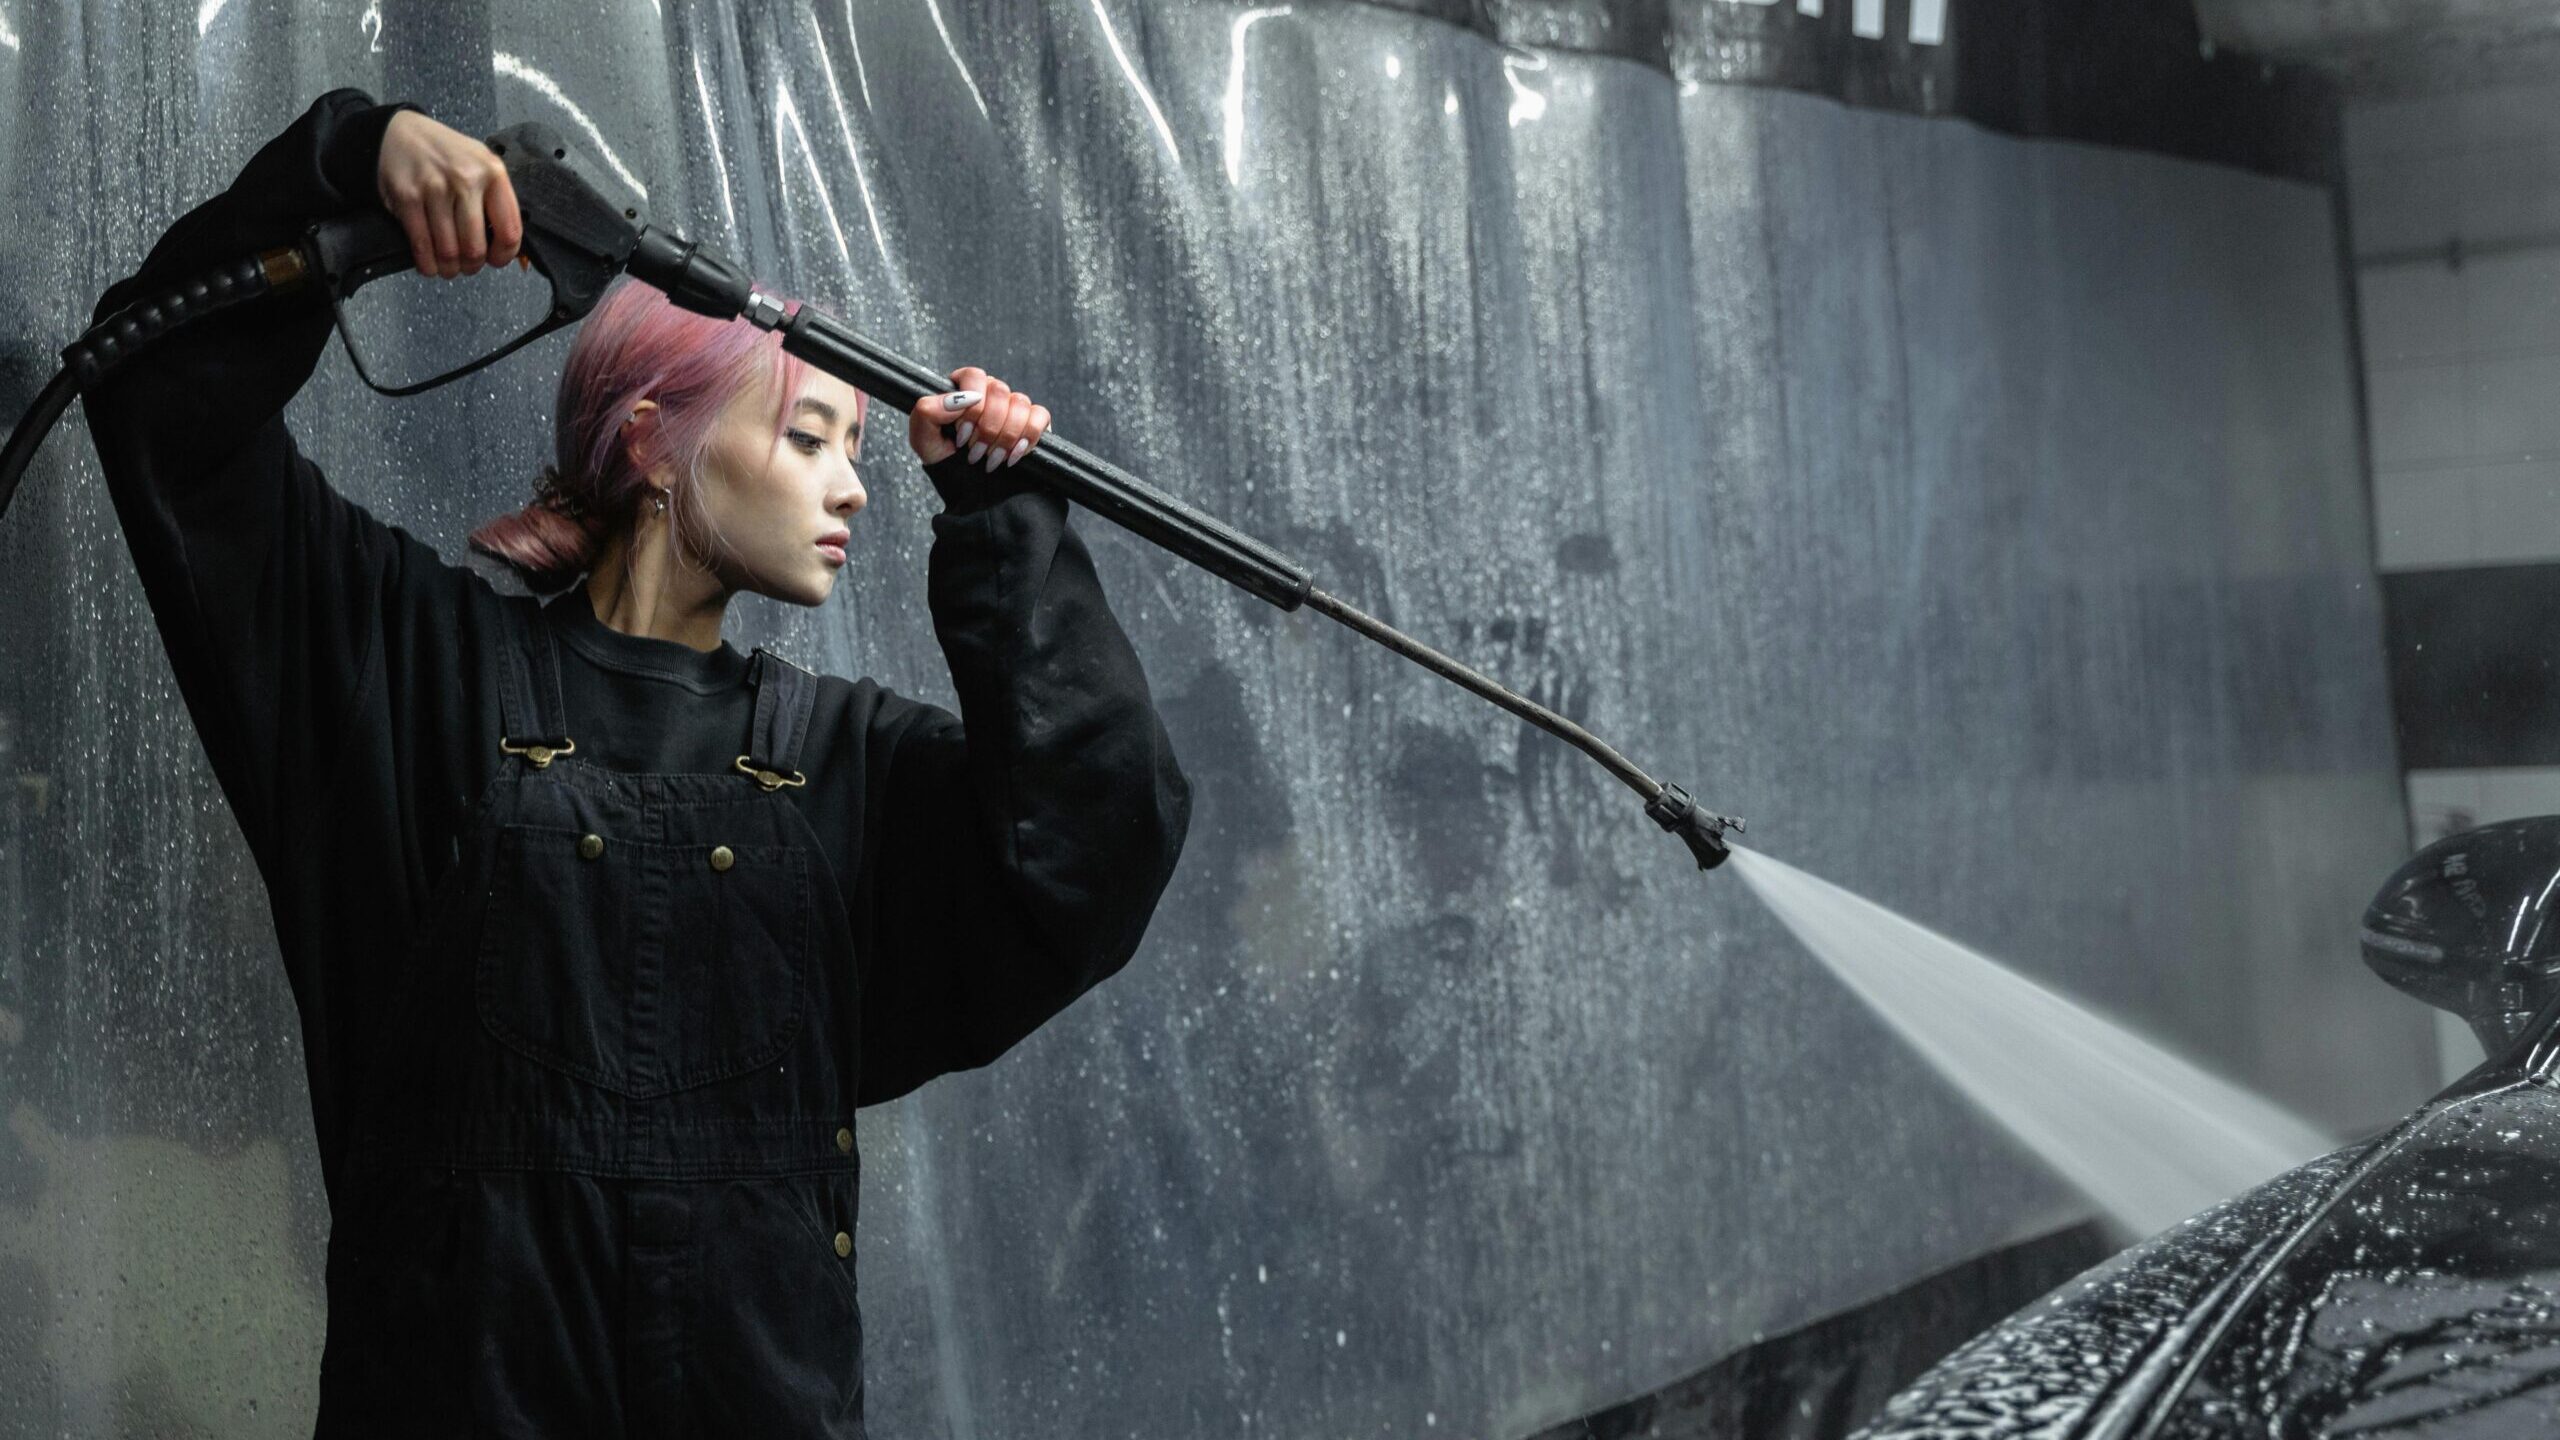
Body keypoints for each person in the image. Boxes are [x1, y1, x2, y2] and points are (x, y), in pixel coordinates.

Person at [79, 86, 1192, 1436]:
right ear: (654, 440)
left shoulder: (852, 775)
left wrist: (1008, 523)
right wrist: (352, 160)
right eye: (806, 437)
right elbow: (157, 402)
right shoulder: (399, 675)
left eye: (858, 449)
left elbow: (1098, 845)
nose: (852, 486)